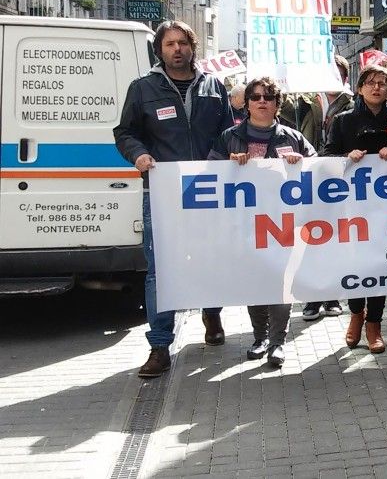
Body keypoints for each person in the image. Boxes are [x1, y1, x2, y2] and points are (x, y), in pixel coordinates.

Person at [114, 20, 232, 378]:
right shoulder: (143, 88)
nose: (177, 49)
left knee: (211, 258)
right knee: (160, 271)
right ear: (160, 50)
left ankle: (211, 313)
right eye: (170, 44)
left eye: (183, 43)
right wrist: (138, 155)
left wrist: (227, 157)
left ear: (192, 47)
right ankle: (160, 346)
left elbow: (228, 132)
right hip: (163, 193)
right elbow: (125, 132)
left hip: (209, 190)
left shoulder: (214, 86)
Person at [208, 76, 316, 367]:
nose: (262, 101)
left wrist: (301, 162)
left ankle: (278, 343)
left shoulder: (291, 137)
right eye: (255, 97)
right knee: (254, 282)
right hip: (245, 225)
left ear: (277, 104)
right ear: (247, 103)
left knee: (281, 283)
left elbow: (318, 166)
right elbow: (209, 174)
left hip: (283, 225)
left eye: (268, 97)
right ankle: (260, 337)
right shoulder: (229, 137)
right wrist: (228, 165)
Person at [325, 65, 387, 352]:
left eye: (382, 83)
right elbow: (326, 155)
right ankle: (356, 315)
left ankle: (374, 324)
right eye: (371, 83)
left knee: (380, 265)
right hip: (352, 207)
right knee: (355, 264)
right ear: (360, 88)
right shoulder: (342, 121)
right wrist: (345, 157)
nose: (377, 88)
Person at [298, 55, 355, 322]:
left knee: (333, 238)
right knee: (310, 239)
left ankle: (331, 294)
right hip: (308, 176)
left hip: (338, 179)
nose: (333, 78)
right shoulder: (303, 100)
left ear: (345, 78)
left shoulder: (352, 104)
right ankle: (311, 297)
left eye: (338, 74)